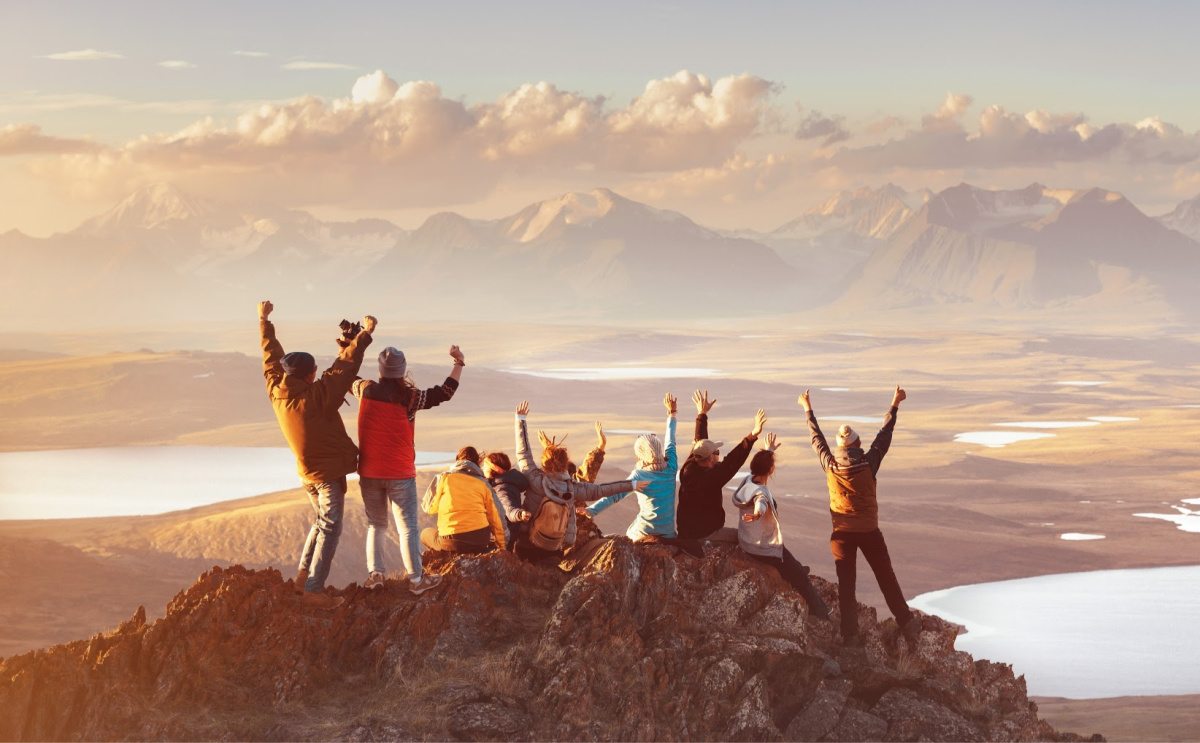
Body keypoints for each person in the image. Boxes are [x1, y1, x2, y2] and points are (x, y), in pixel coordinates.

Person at [258, 300, 373, 607]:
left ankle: (301, 578)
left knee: (321, 522)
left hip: (306, 474)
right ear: (309, 375)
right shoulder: (314, 399)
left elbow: (271, 358)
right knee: (331, 526)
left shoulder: (277, 391)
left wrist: (264, 321)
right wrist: (363, 336)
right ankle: (313, 589)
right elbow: (343, 370)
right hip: (324, 476)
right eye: (314, 372)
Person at [800, 386, 918, 645]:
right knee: (886, 578)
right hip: (868, 532)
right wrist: (894, 403)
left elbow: (816, 439)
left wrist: (807, 408)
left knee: (847, 586)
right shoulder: (869, 463)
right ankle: (907, 623)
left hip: (841, 535)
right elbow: (884, 435)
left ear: (841, 446)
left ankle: (850, 636)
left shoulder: (830, 466)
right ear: (856, 444)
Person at [352, 344, 464, 594]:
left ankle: (376, 575)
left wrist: (349, 347)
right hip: (400, 473)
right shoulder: (411, 398)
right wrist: (458, 363)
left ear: (381, 370)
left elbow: (348, 377)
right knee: (408, 528)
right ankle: (416, 580)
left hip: (370, 472)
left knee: (376, 525)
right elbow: (445, 392)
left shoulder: (365, 389)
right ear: (402, 371)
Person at [513, 401, 648, 560]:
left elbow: (523, 454)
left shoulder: (536, 480)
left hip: (526, 545)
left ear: (544, 463)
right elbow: (601, 490)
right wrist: (631, 485)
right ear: (565, 465)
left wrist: (520, 419)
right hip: (554, 550)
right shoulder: (573, 489)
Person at [732, 439, 831, 620]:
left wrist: (769, 450)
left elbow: (759, 470)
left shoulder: (747, 480)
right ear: (771, 470)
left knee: (793, 563)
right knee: (800, 576)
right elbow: (760, 504)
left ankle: (795, 568)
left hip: (747, 540)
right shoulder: (761, 491)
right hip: (762, 547)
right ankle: (821, 612)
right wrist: (756, 515)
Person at [585, 394, 680, 542]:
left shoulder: (639, 475)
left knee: (629, 533)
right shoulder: (671, 466)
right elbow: (671, 441)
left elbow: (615, 495)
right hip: (668, 533)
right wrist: (672, 413)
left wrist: (591, 511)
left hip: (644, 530)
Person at [677, 389, 767, 541]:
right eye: (716, 452)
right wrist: (752, 436)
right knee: (747, 539)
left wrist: (702, 414)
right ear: (711, 458)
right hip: (704, 534)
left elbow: (701, 442)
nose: (719, 454)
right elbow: (732, 462)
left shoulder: (691, 465)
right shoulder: (711, 479)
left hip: (686, 531)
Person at [420, 447, 507, 554]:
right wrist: (502, 546)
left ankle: (445, 556)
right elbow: (494, 517)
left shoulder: (444, 478)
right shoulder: (483, 484)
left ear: (457, 460)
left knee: (425, 534)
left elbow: (428, 508)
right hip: (481, 540)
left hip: (452, 540)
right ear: (477, 462)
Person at [483, 451, 531, 549]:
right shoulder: (504, 483)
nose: (483, 468)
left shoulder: (502, 488)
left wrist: (518, 514)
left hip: (504, 537)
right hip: (509, 534)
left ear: (494, 468)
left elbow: (508, 508)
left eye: (485, 465)